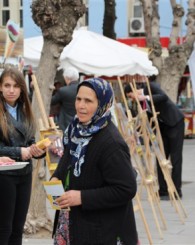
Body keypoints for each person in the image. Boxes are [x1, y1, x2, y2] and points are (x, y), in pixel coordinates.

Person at [51, 78, 138, 245]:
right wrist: (57, 177)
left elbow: (126, 188)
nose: (81, 106)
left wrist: (82, 197)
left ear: (102, 104)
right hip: (74, 223)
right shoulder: (76, 129)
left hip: (101, 231)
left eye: (88, 101)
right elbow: (67, 160)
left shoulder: (111, 143)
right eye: (79, 99)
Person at [0, 67, 46, 245]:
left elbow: (30, 141)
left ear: (22, 89)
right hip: (4, 175)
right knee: (4, 228)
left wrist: (38, 151)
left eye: (16, 86)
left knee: (18, 228)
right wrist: (19, 152)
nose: (11, 90)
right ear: (1, 87)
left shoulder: (25, 110)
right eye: (7, 85)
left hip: (25, 174)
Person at [124, 78, 184, 200]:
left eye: (131, 96)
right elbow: (147, 118)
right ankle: (162, 190)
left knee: (175, 157)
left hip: (174, 122)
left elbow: (163, 97)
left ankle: (176, 190)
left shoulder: (150, 87)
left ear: (135, 90)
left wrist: (145, 97)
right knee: (160, 157)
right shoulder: (139, 102)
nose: (132, 99)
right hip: (162, 126)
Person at [50, 67, 79, 132]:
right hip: (80, 121)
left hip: (66, 122)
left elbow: (51, 101)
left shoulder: (63, 90)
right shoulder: (84, 89)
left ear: (67, 78)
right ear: (77, 77)